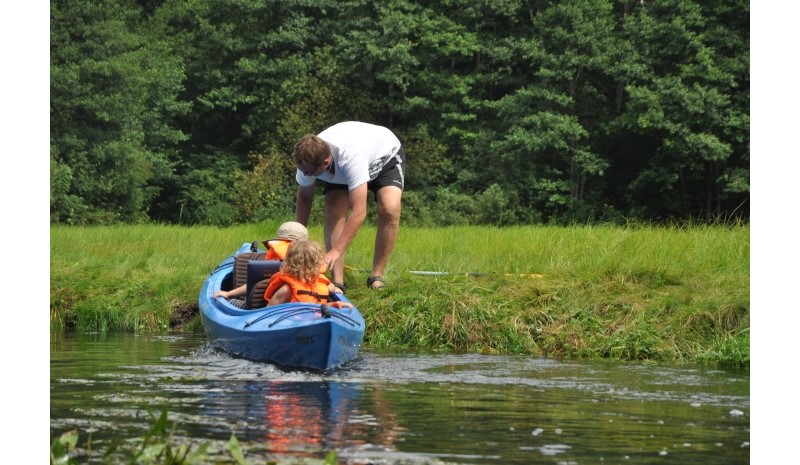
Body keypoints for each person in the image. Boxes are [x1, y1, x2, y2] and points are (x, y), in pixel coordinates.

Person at [292, 121, 405, 291]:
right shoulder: (307, 161)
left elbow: (359, 211)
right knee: (333, 210)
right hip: (341, 167)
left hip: (384, 159)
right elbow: (305, 196)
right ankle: (337, 282)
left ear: (325, 162)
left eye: (308, 173)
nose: (305, 175)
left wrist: (336, 250)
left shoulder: (351, 158)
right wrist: (298, 237)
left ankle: (376, 276)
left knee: (390, 208)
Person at [213, 221, 308, 302]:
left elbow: (255, 284)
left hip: (266, 311)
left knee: (230, 302)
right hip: (299, 312)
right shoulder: (312, 267)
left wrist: (228, 294)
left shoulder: (274, 265)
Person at [264, 239, 353, 309]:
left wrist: (333, 304)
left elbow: (314, 309)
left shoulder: (323, 285)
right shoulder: (287, 290)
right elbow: (267, 312)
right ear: (314, 265)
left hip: (313, 322)